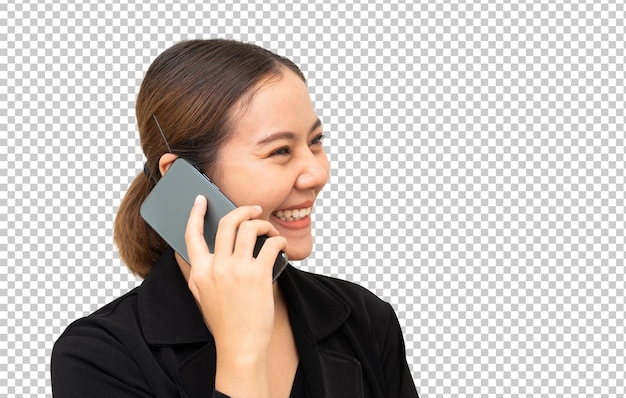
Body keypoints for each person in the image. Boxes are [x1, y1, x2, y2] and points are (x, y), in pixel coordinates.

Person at [51, 39, 419, 398]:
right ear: (184, 176)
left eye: (316, 140)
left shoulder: (365, 319)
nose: (318, 173)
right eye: (280, 150)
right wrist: (241, 350)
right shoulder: (98, 356)